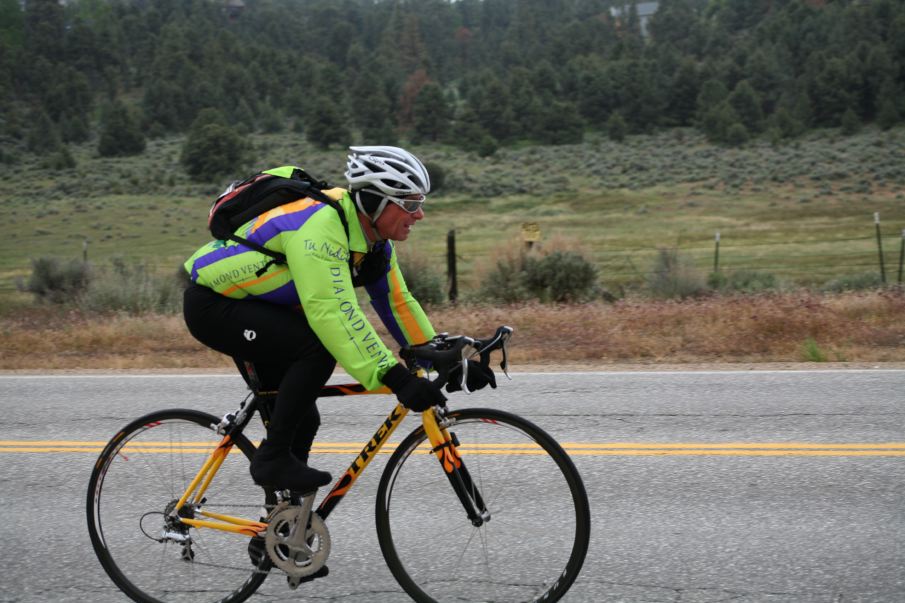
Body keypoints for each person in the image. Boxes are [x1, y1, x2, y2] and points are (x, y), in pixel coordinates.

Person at [182, 146, 495, 493]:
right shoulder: (322, 228)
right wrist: (396, 378)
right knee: (317, 349)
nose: (419, 214)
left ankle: (276, 536)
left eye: (420, 203)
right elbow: (333, 313)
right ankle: (271, 459)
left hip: (267, 309)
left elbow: (397, 302)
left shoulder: (373, 243)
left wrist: (437, 355)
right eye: (409, 204)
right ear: (375, 202)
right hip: (215, 306)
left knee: (303, 417)